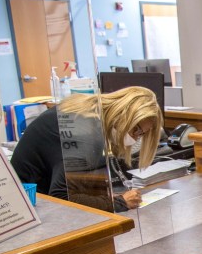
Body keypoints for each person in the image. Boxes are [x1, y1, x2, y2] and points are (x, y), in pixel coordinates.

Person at [11, 86, 162, 211]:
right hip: (27, 202)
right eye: (135, 129)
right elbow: (62, 196)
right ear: (123, 114)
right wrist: (120, 203)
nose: (135, 138)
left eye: (141, 134)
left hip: (31, 194)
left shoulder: (88, 110)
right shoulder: (85, 131)